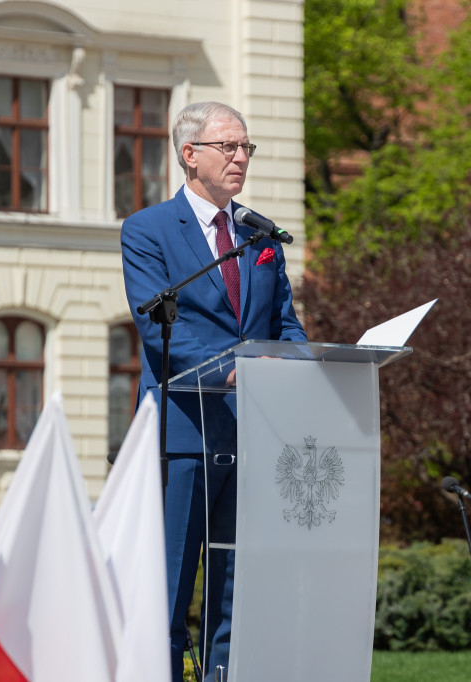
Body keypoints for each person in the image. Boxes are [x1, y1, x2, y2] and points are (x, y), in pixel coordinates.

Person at [121, 101, 307, 681]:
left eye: (246, 148)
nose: (240, 158)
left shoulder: (258, 235)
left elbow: (286, 326)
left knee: (235, 588)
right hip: (184, 432)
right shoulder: (148, 230)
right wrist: (230, 372)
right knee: (171, 586)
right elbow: (159, 330)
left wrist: (309, 367)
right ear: (189, 154)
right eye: (228, 146)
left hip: (253, 436)